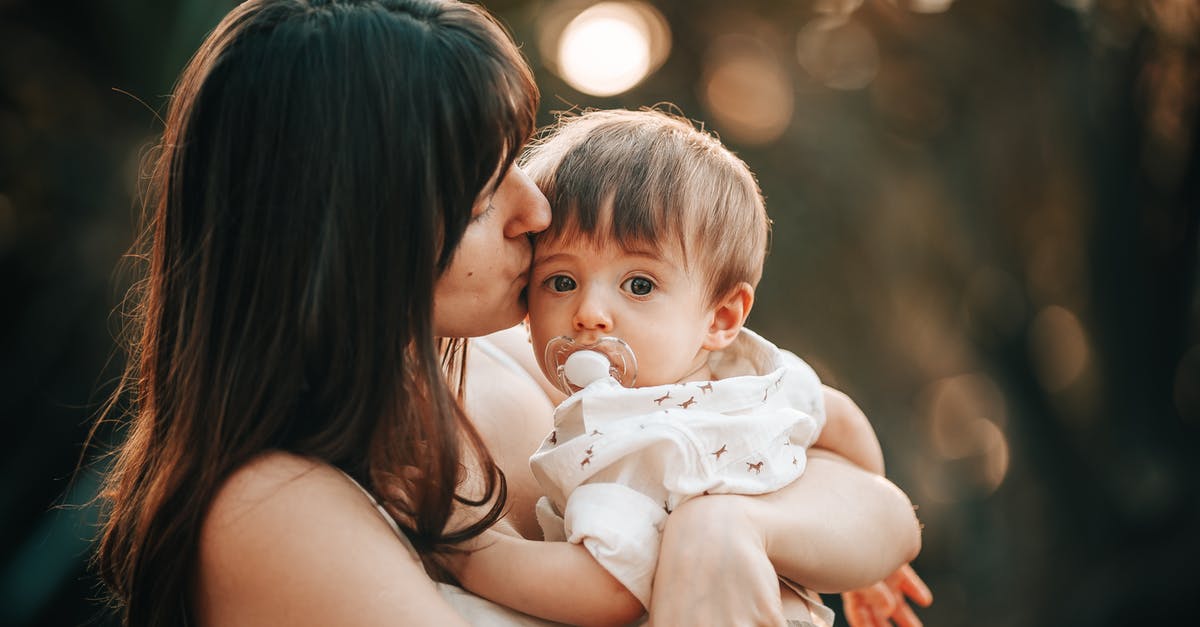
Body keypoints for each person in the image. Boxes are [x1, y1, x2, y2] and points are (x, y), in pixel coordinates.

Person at [92, 1, 924, 625]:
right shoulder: (272, 512)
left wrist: (728, 527)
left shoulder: (529, 365)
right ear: (355, 229)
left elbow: (871, 499)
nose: (535, 208)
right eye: (486, 188)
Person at [443, 109, 926, 626]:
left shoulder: (619, 440)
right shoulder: (754, 378)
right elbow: (840, 419)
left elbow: (605, 591)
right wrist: (855, 551)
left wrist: (472, 554)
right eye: (561, 282)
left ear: (721, 317)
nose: (590, 313)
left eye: (640, 285)